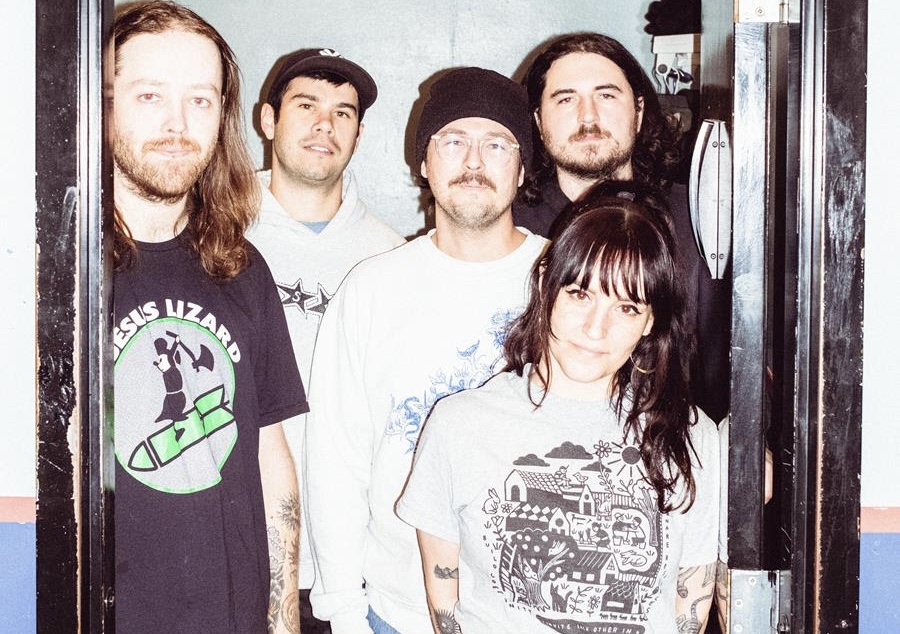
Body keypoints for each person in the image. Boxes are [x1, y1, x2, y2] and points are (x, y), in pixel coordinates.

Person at [398, 190, 720, 634]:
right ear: (545, 284)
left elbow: (690, 608)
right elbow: (445, 607)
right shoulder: (459, 426)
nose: (595, 329)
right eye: (580, 295)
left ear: (650, 322)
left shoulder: (691, 436)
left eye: (626, 308)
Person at [303, 67, 549, 634]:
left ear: (522, 168)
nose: (474, 161)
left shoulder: (566, 280)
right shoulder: (371, 289)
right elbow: (336, 461)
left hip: (538, 612)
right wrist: (345, 613)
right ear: (424, 161)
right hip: (396, 611)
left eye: (497, 144)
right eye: (454, 140)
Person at [110, 3, 307, 632]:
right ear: (104, 105)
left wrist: (282, 619)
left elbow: (271, 455)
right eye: (149, 96)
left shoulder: (242, 268)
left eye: (200, 100)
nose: (177, 124)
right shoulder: (58, 274)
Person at [247, 47, 406, 633]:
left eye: (343, 112)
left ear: (358, 134)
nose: (325, 124)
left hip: (351, 571)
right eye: (306, 105)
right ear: (268, 120)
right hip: (240, 549)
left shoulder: (391, 255)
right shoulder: (216, 231)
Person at [512, 32, 730, 424]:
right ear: (538, 122)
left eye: (607, 95)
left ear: (639, 111)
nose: (588, 116)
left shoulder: (702, 217)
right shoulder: (513, 228)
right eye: (566, 99)